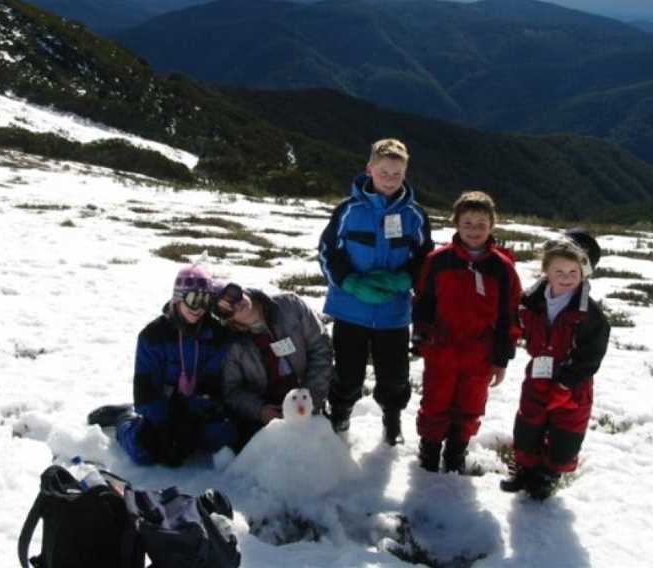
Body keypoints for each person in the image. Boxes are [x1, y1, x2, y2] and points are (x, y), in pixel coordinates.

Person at [318, 138, 433, 445]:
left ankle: (392, 420)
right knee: (347, 373)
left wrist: (404, 280)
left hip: (393, 313)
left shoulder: (415, 215)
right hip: (350, 308)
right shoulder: (347, 210)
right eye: (384, 172)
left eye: (397, 174)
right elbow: (328, 253)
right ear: (369, 169)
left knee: (394, 376)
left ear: (405, 173)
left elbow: (426, 259)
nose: (390, 179)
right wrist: (350, 282)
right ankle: (340, 415)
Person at [413, 191, 522, 473]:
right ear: (456, 224)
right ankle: (429, 452)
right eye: (468, 223)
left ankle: (455, 453)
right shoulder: (438, 261)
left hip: (480, 353)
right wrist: (421, 336)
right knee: (435, 402)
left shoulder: (502, 268)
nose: (474, 230)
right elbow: (423, 301)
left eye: (481, 224)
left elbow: (509, 315)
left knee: (470, 405)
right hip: (442, 347)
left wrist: (502, 357)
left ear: (492, 226)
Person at [87, 264, 238, 466]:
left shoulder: (216, 335)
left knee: (222, 437)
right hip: (163, 406)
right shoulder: (153, 336)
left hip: (197, 409)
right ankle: (124, 418)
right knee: (144, 450)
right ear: (178, 298)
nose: (198, 308)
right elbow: (145, 389)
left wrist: (192, 419)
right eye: (193, 299)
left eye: (204, 300)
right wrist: (165, 425)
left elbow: (212, 382)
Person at [500, 230, 610, 499]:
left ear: (584, 273)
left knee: (566, 429)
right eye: (558, 271)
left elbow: (590, 355)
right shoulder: (530, 301)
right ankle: (524, 469)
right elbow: (515, 325)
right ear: (546, 270)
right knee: (529, 421)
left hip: (573, 384)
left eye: (573, 272)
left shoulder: (590, 315)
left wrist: (567, 383)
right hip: (538, 373)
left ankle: (548, 474)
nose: (565, 278)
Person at [214, 283, 333, 447]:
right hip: (269, 416)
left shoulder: (291, 306)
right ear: (228, 319)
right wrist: (260, 411)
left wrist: (311, 398)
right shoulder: (233, 345)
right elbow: (232, 390)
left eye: (232, 294)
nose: (236, 304)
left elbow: (321, 348)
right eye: (227, 308)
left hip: (308, 402)